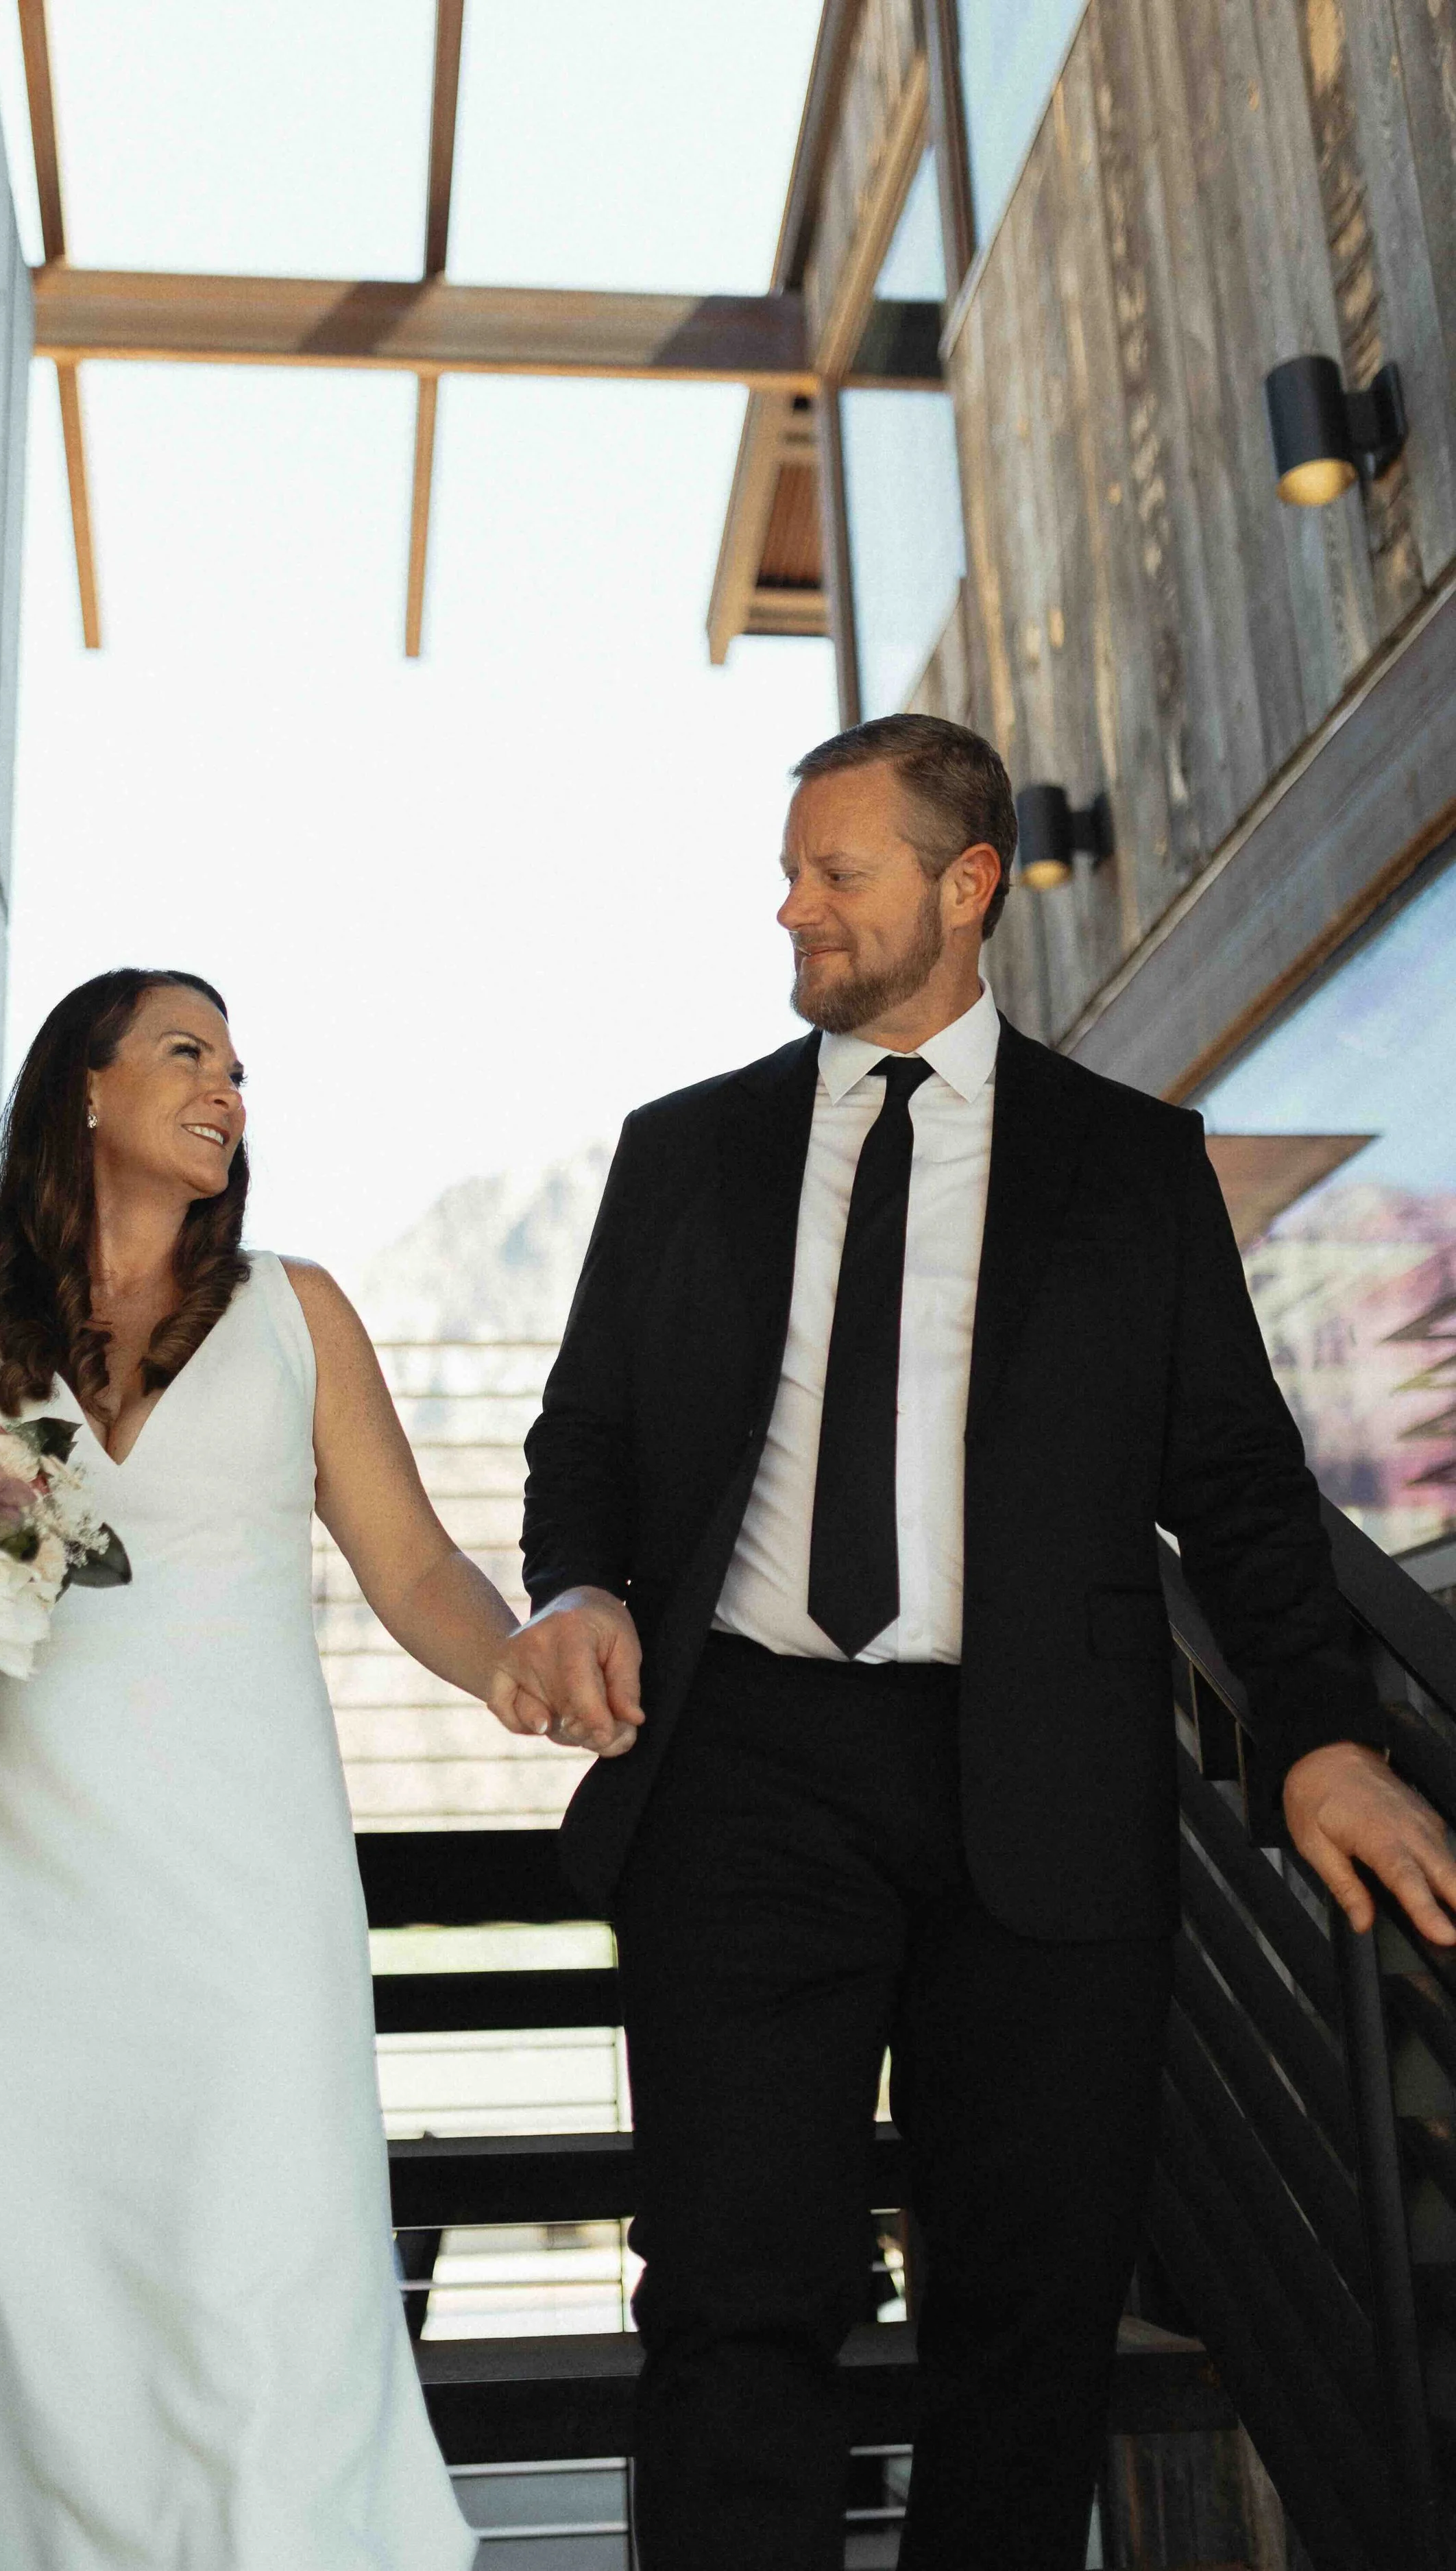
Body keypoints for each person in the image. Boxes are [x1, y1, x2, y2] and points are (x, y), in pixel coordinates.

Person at [489, 714, 1456, 2571]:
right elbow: (585, 1437)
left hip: (1046, 1779)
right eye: (787, 868)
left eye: (830, 873)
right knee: (725, 2296)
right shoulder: (682, 1152)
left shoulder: (1129, 1167)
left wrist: (1321, 1733)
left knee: (1022, 2325)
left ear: (962, 883)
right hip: (744, 1774)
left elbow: (1241, 1490)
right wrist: (577, 1582)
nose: (790, 907)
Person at [0, 967, 509, 2570]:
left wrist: (510, 1662)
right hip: (16, 1897)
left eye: (241, 1070)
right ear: (81, 1088)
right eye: (188, 1053)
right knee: (29, 2286)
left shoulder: (295, 1313)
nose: (228, 1091)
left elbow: (411, 1570)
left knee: (257, 2275)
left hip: (246, 1892)